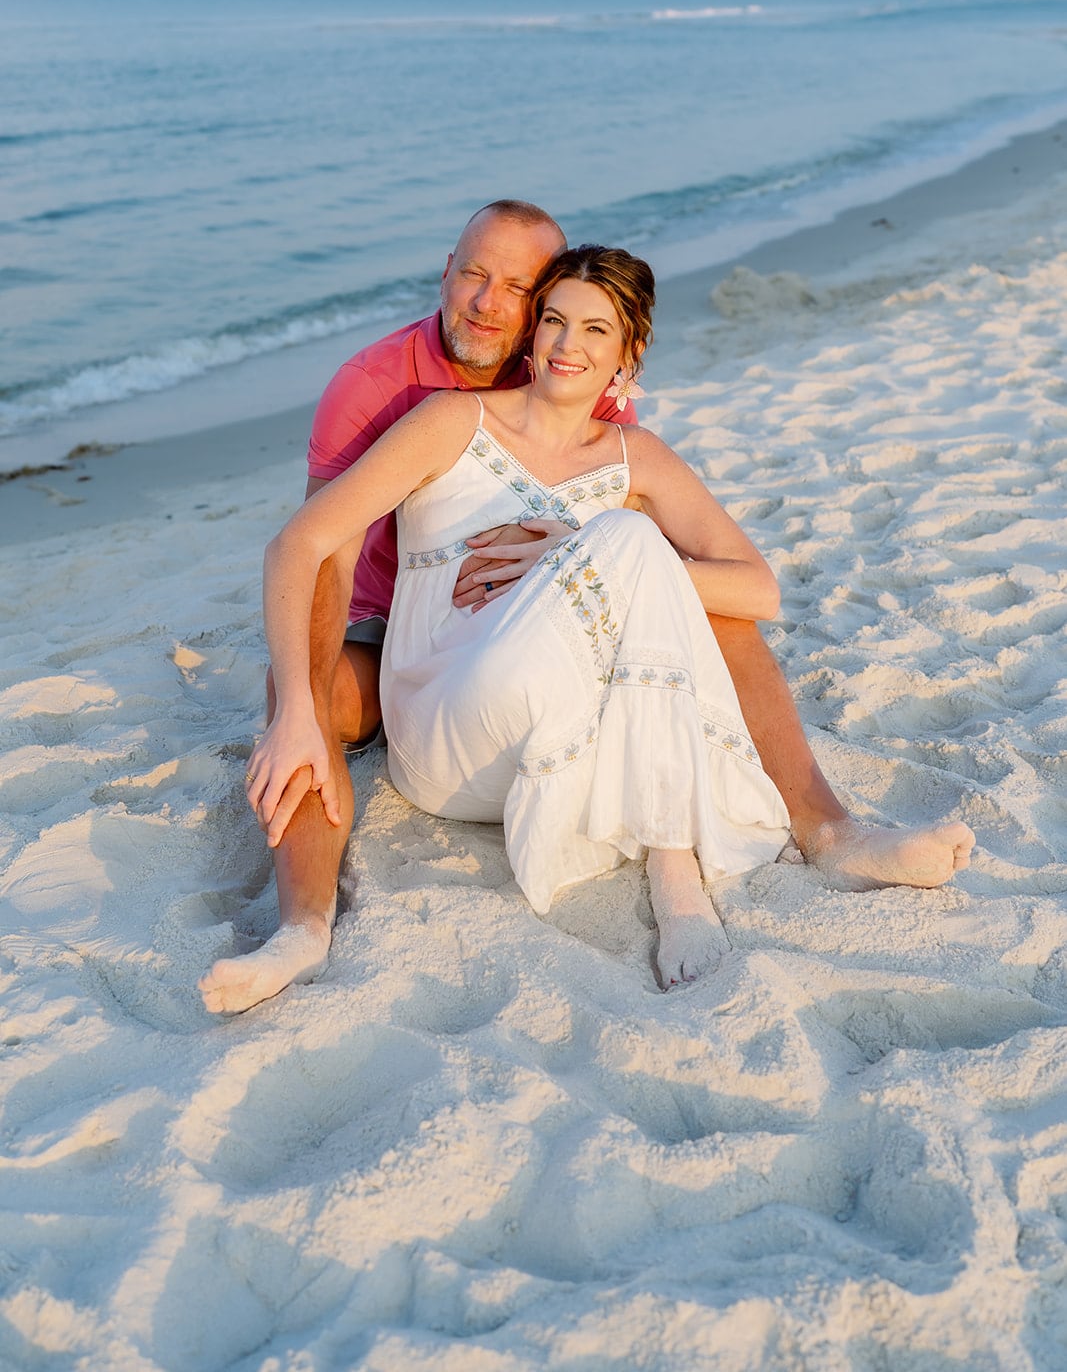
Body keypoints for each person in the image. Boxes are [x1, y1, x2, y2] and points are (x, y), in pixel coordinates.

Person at [200, 239, 974, 1014]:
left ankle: (807, 843)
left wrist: (567, 549)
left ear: (627, 356)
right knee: (635, 542)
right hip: (449, 728)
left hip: (568, 747)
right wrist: (298, 713)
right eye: (555, 322)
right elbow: (298, 541)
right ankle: (304, 933)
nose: (568, 345)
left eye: (595, 330)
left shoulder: (635, 458)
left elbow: (760, 588)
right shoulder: (451, 421)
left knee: (650, 560)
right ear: (532, 336)